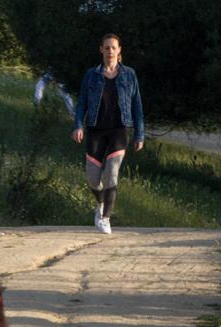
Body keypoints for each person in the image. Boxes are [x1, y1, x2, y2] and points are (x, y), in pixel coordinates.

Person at [72, 33, 144, 234]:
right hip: (95, 130)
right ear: (101, 50)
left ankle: (105, 218)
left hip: (119, 131)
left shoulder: (129, 74)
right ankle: (100, 203)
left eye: (114, 47)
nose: (110, 51)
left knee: (112, 173)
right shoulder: (91, 75)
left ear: (119, 50)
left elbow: (137, 105)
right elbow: (82, 104)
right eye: (107, 48)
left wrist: (139, 134)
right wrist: (78, 125)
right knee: (93, 179)